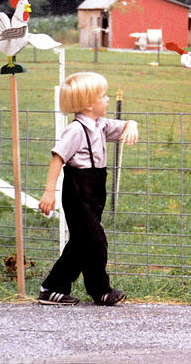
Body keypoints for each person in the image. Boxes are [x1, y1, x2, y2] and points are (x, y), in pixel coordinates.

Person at [38, 72, 138, 306]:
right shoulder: (75, 130)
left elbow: (124, 126)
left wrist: (132, 124)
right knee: (95, 241)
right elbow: (58, 159)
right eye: (103, 96)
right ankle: (101, 290)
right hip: (78, 191)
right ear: (88, 104)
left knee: (81, 243)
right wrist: (49, 191)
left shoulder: (100, 125)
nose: (108, 99)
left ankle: (52, 288)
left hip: (95, 189)